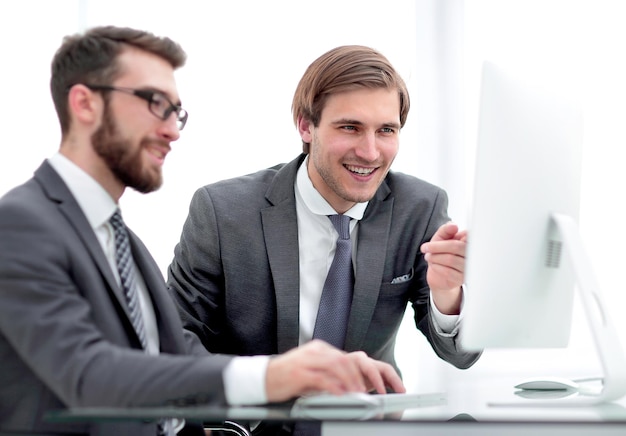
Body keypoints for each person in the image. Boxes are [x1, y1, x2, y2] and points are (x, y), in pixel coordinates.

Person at [0, 29, 405, 436]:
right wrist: (276, 375)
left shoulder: (124, 243)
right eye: (154, 104)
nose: (173, 131)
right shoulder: (20, 224)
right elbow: (89, 374)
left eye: (176, 112)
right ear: (85, 103)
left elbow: (167, 373)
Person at [167, 45, 482, 435]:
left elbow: (461, 354)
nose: (370, 152)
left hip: (365, 427)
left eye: (386, 130)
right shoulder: (222, 211)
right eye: (349, 127)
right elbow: (174, 344)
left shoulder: (418, 207)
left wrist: (448, 293)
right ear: (305, 126)